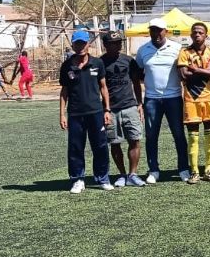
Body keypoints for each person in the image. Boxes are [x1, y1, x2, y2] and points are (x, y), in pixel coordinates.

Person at [136, 18, 190, 184]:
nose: (156, 34)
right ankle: (153, 171)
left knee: (179, 135)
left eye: (159, 30)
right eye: (153, 30)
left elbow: (184, 72)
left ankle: (183, 169)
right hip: (151, 99)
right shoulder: (143, 50)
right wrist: (140, 101)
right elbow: (138, 73)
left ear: (165, 31)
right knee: (151, 136)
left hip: (173, 98)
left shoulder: (177, 48)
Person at [59, 30, 112, 194]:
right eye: (77, 43)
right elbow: (64, 92)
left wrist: (107, 110)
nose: (80, 46)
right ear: (73, 45)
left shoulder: (97, 63)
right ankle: (77, 180)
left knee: (101, 146)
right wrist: (62, 114)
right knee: (75, 148)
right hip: (75, 114)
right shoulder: (67, 66)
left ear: (88, 44)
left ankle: (102, 178)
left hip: (96, 112)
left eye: (83, 43)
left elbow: (103, 87)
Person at [101, 31, 146, 188]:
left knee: (135, 140)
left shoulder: (128, 61)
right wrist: (104, 109)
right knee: (115, 142)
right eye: (113, 43)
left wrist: (139, 103)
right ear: (105, 45)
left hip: (129, 106)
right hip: (111, 109)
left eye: (119, 42)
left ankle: (132, 174)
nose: (117, 45)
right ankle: (121, 174)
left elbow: (136, 83)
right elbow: (99, 87)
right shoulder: (100, 63)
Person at [177, 22, 210, 183]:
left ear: (206, 35)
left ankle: (208, 170)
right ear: (190, 35)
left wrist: (196, 70)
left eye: (200, 32)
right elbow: (183, 74)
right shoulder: (184, 52)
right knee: (193, 137)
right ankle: (194, 171)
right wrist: (206, 73)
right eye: (194, 32)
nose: (197, 35)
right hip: (191, 99)